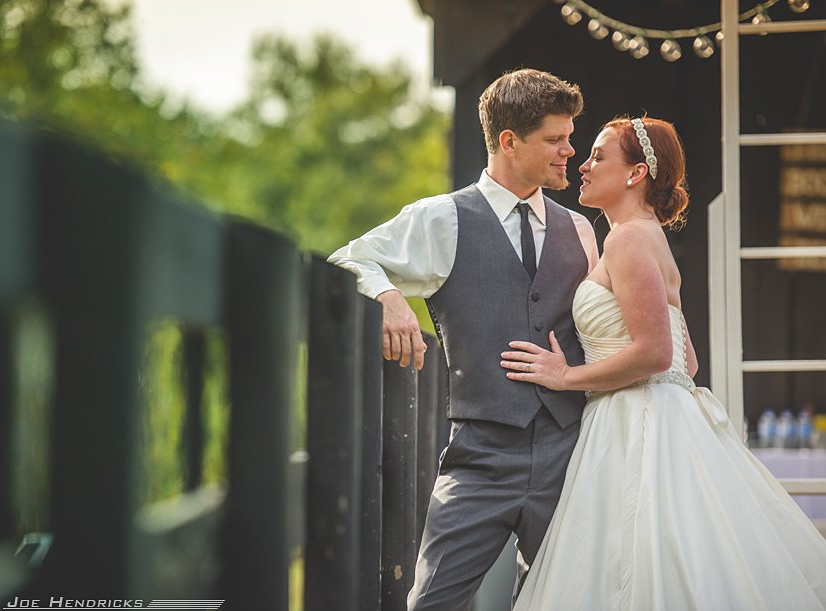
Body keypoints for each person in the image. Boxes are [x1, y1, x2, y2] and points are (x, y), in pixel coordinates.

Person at [502, 116, 826, 609]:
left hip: (633, 421)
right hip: (665, 416)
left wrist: (566, 375)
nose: (583, 166)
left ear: (635, 174)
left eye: (598, 156)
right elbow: (687, 361)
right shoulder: (648, 236)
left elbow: (656, 353)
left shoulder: (628, 239)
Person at [328, 68, 599, 608]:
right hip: (481, 455)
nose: (571, 151)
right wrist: (388, 299)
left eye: (569, 137)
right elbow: (348, 259)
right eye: (555, 139)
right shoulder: (443, 218)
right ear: (508, 141)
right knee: (431, 602)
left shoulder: (581, 229)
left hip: (570, 452)